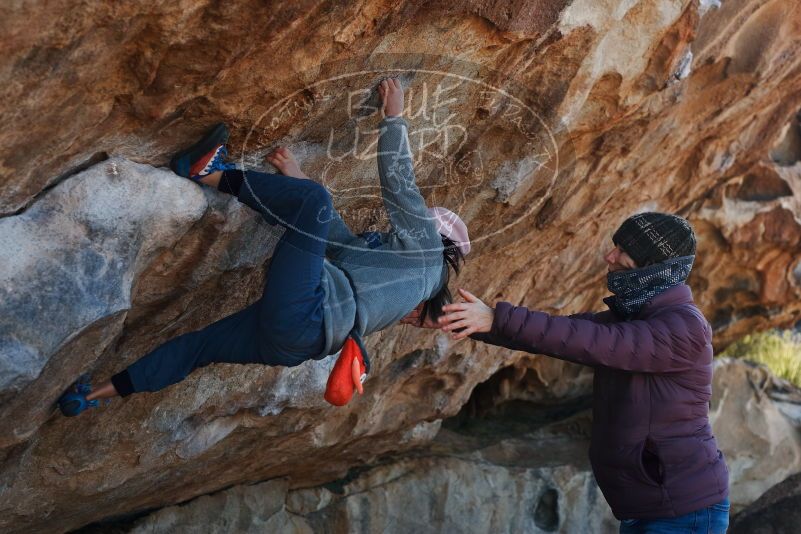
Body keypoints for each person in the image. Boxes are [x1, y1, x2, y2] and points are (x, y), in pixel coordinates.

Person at [58, 78, 471, 415]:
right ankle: (89, 397)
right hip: (297, 345)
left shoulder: (426, 254)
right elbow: (332, 240)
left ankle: (209, 173)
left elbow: (399, 186)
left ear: (437, 237)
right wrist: (296, 178)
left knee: (315, 202)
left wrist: (394, 117)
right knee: (197, 348)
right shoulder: (398, 278)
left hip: (308, 311)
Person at [433, 213, 730, 533]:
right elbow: (560, 334)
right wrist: (459, 319)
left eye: (623, 250)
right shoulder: (634, 319)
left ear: (653, 265)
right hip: (652, 503)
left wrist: (496, 318)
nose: (609, 257)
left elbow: (590, 341)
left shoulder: (683, 328)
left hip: (684, 509)